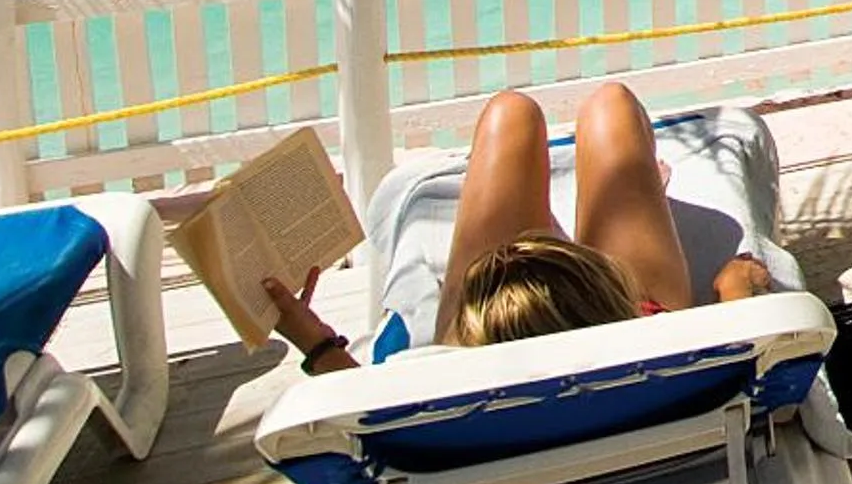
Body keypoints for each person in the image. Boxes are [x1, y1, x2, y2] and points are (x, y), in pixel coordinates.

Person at [266, 83, 770, 374]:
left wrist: (311, 341)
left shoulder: (438, 387)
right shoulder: (659, 342)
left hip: (491, 349)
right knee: (610, 107)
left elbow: (358, 409)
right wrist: (736, 286)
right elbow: (742, 351)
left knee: (511, 113)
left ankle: (620, 195)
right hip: (628, 335)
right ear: (603, 284)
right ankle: (634, 194)